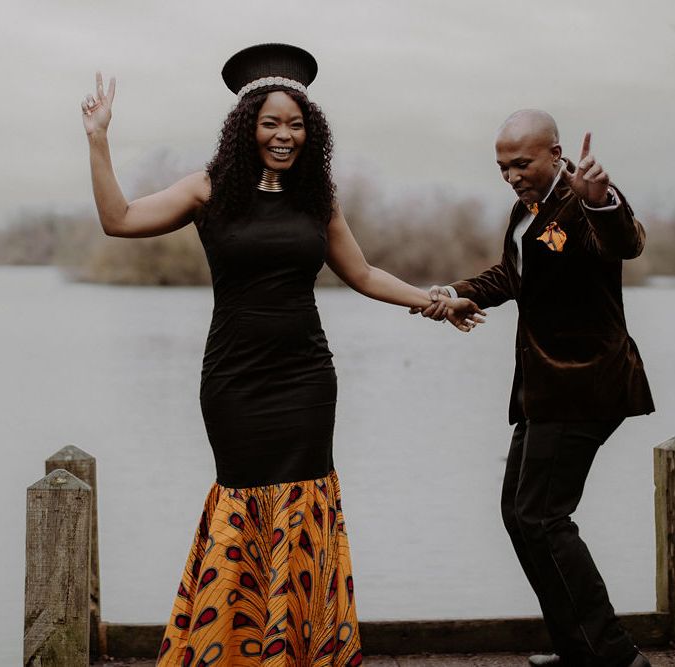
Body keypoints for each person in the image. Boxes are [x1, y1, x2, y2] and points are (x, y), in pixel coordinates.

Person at [81, 43, 484, 666]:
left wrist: (434, 300)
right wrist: (98, 141)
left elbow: (366, 274)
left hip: (305, 383)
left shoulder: (317, 200)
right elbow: (119, 220)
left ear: (310, 132)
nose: (283, 135)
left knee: (304, 511)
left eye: (295, 124)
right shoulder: (207, 190)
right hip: (235, 386)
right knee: (241, 506)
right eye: (271, 123)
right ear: (248, 127)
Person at [416, 109, 654, 667]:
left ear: (555, 152)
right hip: (544, 388)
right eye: (502, 167)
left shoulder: (585, 199)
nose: (511, 175)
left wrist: (601, 198)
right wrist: (457, 290)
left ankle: (616, 658)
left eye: (521, 163)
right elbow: (511, 275)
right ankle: (579, 650)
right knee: (519, 514)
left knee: (543, 516)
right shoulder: (529, 210)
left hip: (586, 384)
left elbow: (625, 242)